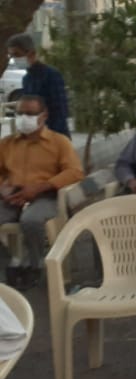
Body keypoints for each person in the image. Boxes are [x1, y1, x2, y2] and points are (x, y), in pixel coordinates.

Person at [0, 95, 84, 288]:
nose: (23, 118)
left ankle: (35, 265)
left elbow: (75, 172)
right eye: (20, 113)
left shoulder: (58, 142)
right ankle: (11, 263)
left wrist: (42, 186)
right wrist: (3, 189)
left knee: (31, 220)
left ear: (43, 115)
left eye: (30, 114)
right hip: (12, 196)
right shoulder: (7, 144)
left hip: (46, 195)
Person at [6, 33, 70, 138]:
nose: (14, 59)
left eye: (17, 54)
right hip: (33, 135)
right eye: (11, 56)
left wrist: (51, 137)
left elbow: (60, 111)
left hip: (54, 136)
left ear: (31, 53)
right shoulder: (26, 79)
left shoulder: (51, 75)